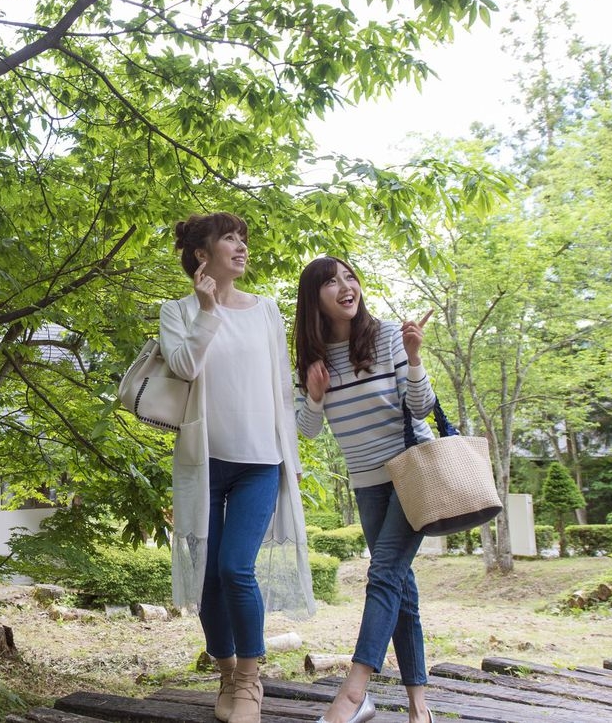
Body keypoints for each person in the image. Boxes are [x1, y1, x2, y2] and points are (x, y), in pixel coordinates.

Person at [158, 212, 316, 723]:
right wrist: (207, 312)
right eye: (230, 238)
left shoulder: (266, 310)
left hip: (260, 462)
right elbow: (184, 367)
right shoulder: (177, 311)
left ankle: (250, 679)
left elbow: (281, 389)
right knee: (208, 576)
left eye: (243, 238)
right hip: (202, 462)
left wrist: (291, 457)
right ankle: (226, 672)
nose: (242, 247)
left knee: (235, 568)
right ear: (202, 254)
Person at [292, 255, 437, 723]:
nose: (345, 287)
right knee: (400, 588)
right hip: (366, 483)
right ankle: (419, 708)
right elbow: (307, 429)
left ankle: (352, 695)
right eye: (332, 282)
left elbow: (421, 408)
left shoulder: (389, 335)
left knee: (384, 573)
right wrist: (316, 396)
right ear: (314, 298)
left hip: (412, 472)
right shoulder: (311, 361)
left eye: (350, 278)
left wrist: (414, 359)